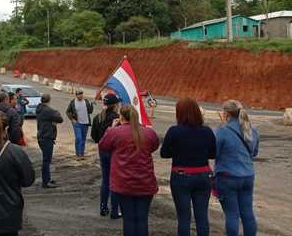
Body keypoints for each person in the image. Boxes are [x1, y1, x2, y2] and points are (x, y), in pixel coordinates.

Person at [99, 105, 159, 236]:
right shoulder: (149, 133)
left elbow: (103, 145)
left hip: (123, 182)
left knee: (129, 219)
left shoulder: (115, 132)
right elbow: (154, 146)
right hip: (145, 181)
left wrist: (112, 127)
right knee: (142, 219)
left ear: (121, 117)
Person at [160, 98, 216, 236]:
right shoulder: (207, 131)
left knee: (184, 218)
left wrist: (178, 151)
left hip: (181, 176)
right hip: (203, 175)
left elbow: (164, 153)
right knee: (202, 216)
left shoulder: (174, 131)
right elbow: (213, 154)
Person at [214, 100, 260, 236]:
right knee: (247, 213)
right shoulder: (252, 130)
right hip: (248, 176)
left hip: (228, 176)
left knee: (232, 214)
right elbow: (254, 153)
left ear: (226, 113)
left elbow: (214, 153)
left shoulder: (222, 130)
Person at [91, 93, 121, 218]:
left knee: (106, 180)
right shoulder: (117, 118)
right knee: (115, 181)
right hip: (114, 152)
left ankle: (103, 207)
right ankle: (115, 210)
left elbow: (94, 136)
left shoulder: (98, 117)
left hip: (102, 151)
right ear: (115, 105)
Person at [36, 94, 64, 189]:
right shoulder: (48, 110)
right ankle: (45, 182)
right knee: (46, 160)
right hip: (47, 137)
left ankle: (47, 179)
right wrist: (55, 114)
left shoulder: (39, 108)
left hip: (41, 136)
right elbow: (60, 119)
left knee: (46, 159)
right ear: (49, 100)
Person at [66, 90, 94, 159]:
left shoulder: (86, 101)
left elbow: (90, 111)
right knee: (79, 138)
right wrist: (72, 119)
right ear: (76, 95)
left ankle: (81, 154)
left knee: (83, 139)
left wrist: (92, 105)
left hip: (85, 123)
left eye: (81, 94)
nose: (80, 96)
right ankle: (77, 154)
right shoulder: (73, 102)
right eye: (78, 94)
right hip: (77, 123)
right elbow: (67, 111)